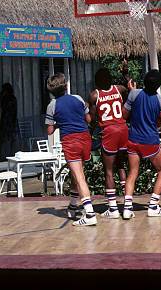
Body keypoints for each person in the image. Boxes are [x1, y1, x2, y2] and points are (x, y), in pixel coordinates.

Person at [121, 69, 161, 220]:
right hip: (150, 142)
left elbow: (123, 115)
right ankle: (153, 206)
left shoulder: (133, 94)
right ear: (159, 84)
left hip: (133, 140)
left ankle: (127, 209)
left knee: (132, 173)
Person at [44, 73, 96, 226]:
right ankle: (73, 206)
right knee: (77, 174)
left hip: (70, 140)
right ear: (66, 86)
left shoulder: (52, 105)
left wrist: (60, 122)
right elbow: (88, 119)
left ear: (51, 91)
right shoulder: (78, 98)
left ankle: (90, 214)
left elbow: (49, 131)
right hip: (85, 138)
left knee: (79, 177)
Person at [88, 68, 132, 219]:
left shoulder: (95, 95)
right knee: (121, 165)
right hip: (123, 129)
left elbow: (93, 119)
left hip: (109, 132)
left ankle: (113, 208)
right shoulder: (119, 89)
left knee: (108, 171)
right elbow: (130, 88)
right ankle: (128, 205)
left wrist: (89, 134)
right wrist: (125, 73)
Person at [0, 83, 18, 158]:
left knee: (7, 138)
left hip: (8, 120)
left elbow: (4, 107)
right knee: (10, 138)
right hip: (11, 120)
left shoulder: (7, 98)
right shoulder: (12, 98)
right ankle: (10, 153)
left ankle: (7, 154)